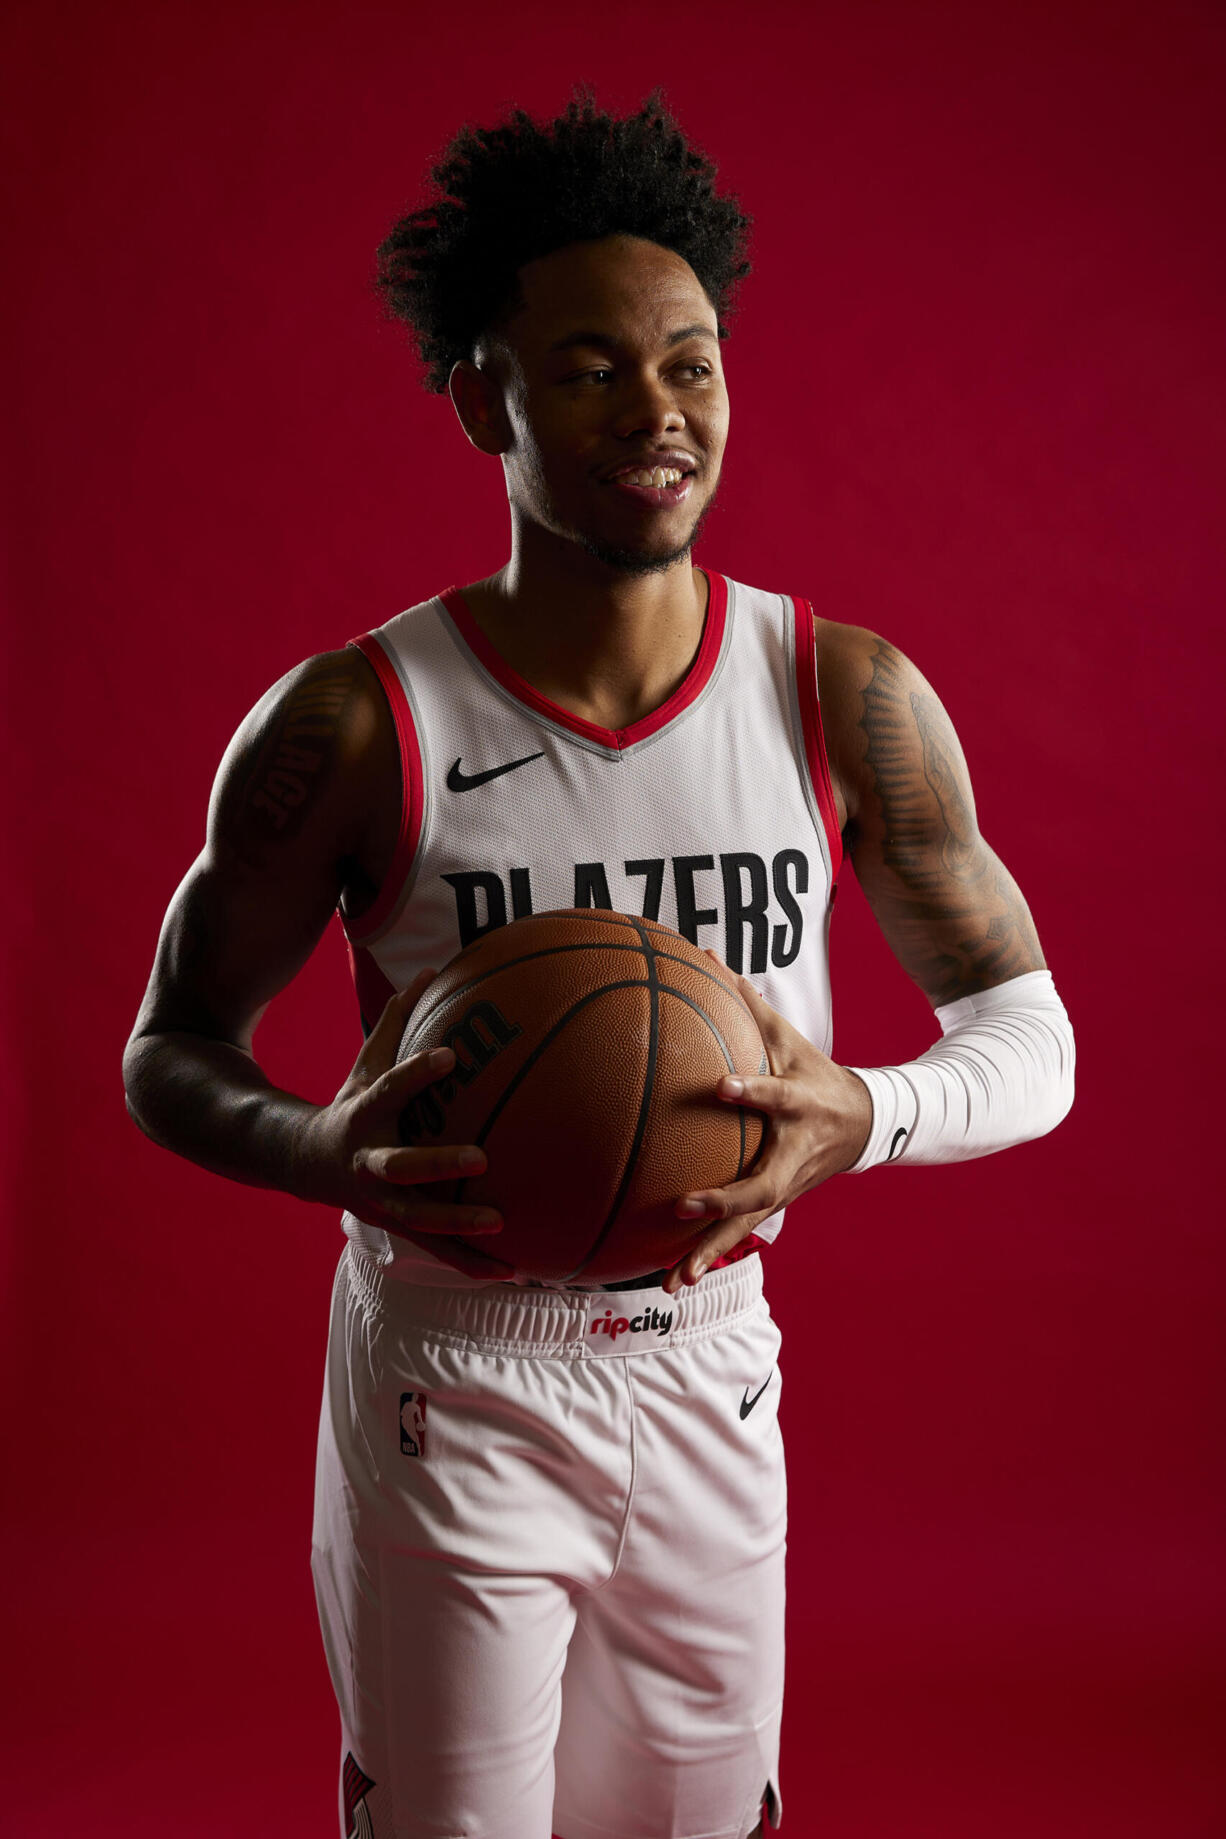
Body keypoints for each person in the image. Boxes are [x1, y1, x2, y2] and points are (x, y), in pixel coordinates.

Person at [123, 88, 1075, 1839]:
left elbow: (1029, 1037)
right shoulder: (357, 719)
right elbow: (166, 1052)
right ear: (480, 392)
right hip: (456, 1370)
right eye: (587, 367)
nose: (658, 412)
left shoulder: (836, 692)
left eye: (691, 362)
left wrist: (859, 1109)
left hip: (715, 1355)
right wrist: (315, 1150)